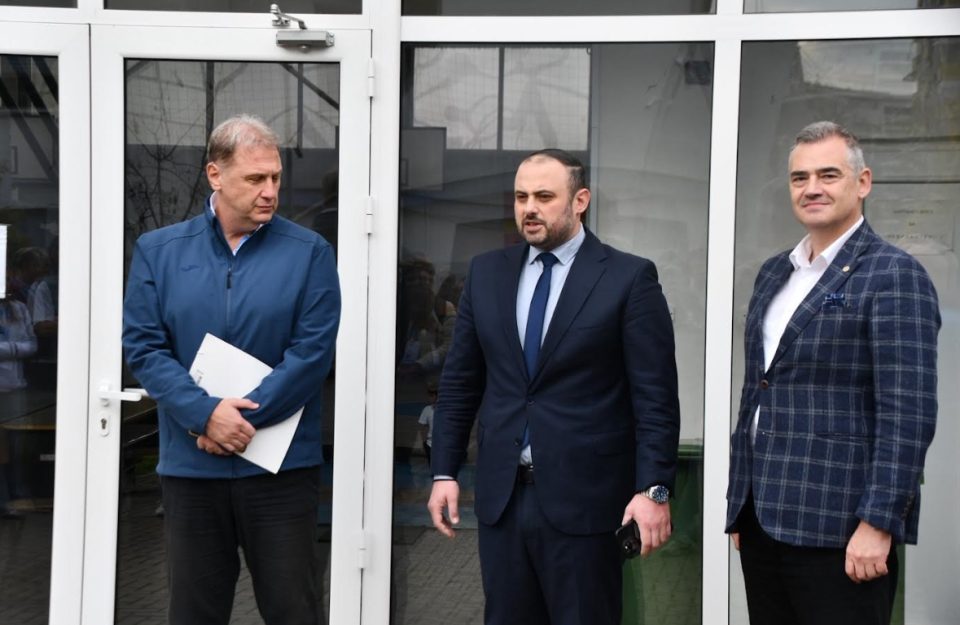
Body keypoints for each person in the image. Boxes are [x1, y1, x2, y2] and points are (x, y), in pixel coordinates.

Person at [427, 148, 681, 625]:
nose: (529, 208)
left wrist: (653, 491)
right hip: (503, 500)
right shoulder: (487, 273)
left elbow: (656, 399)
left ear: (580, 201)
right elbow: (460, 382)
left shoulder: (628, 278)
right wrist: (444, 472)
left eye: (544, 197)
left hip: (587, 504)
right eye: (521, 197)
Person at [122, 114, 341, 625]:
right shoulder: (158, 252)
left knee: (294, 610)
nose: (270, 191)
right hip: (191, 471)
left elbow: (312, 353)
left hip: (281, 473)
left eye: (276, 177)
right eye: (255, 178)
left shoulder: (310, 253)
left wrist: (236, 422)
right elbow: (145, 347)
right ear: (215, 175)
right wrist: (204, 415)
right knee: (194, 612)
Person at [726, 121, 940, 625]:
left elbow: (908, 413)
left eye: (828, 175)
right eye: (799, 178)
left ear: (862, 183)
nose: (812, 188)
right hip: (763, 521)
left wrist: (879, 521)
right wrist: (741, 501)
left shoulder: (894, 274)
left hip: (841, 528)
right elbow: (758, 390)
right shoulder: (775, 272)